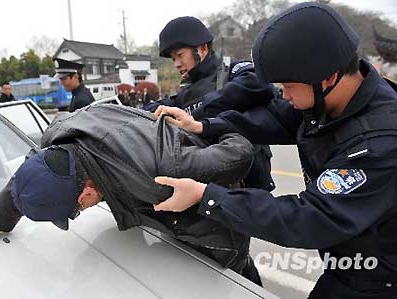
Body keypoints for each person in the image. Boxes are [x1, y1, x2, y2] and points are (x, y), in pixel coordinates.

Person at [152, 2, 397, 298]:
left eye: (288, 85)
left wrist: (208, 197)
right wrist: (204, 126)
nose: (284, 93)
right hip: (349, 257)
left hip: (377, 276)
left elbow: (311, 216)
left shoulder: (379, 143)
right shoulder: (334, 100)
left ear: (327, 78)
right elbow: (276, 118)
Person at [0, 104, 260, 282]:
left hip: (214, 238)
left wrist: (203, 126)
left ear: (85, 194)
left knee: (240, 282)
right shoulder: (58, 138)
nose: (78, 213)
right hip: (163, 223)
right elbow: (23, 177)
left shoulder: (162, 174)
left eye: (75, 211)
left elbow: (241, 154)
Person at [146, 15, 277, 192]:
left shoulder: (234, 70)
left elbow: (261, 84)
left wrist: (200, 113)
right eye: (173, 59)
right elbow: (164, 105)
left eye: (179, 55)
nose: (176, 64)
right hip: (208, 188)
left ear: (202, 48)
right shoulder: (186, 91)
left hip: (249, 185)